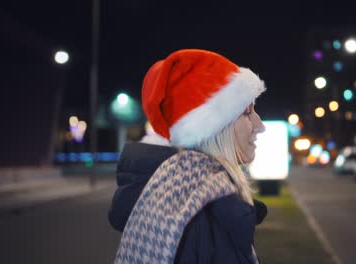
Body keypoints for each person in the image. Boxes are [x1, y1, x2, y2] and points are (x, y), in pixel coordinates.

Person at [109, 49, 268, 264]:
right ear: (214, 128)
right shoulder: (201, 218)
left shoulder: (180, 199)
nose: (260, 126)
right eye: (247, 112)